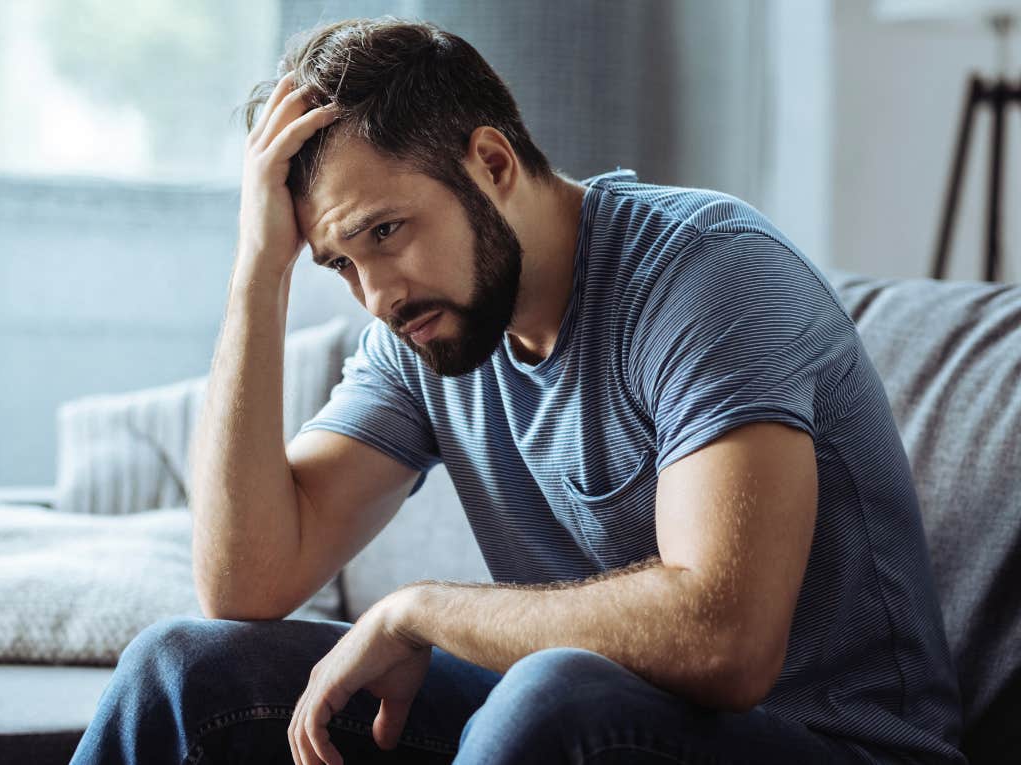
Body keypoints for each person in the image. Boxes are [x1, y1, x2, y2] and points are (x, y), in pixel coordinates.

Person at [70, 16, 964, 765]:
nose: (376, 295)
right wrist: (255, 271)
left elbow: (723, 639)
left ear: (492, 161)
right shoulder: (425, 328)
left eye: (387, 230)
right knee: (184, 668)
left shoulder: (710, 276)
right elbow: (245, 582)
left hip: (834, 744)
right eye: (341, 262)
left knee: (548, 692)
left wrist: (423, 609)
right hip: (571, 724)